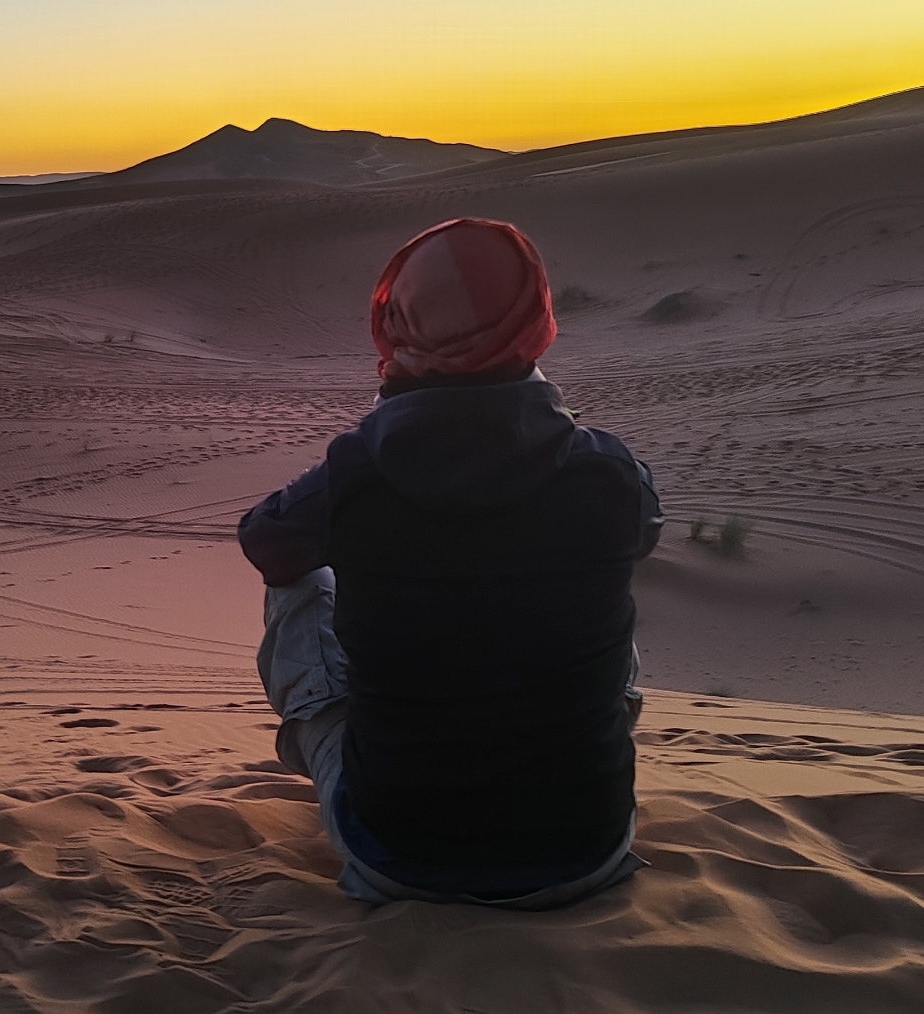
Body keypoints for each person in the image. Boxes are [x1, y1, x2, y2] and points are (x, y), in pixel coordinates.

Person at [237, 218, 664, 909]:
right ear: (534, 319)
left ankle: (349, 761)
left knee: (300, 579)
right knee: (601, 580)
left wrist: (383, 435)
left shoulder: (357, 475)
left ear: (398, 321)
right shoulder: (606, 473)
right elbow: (645, 532)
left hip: (396, 859)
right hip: (588, 853)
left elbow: (265, 542)